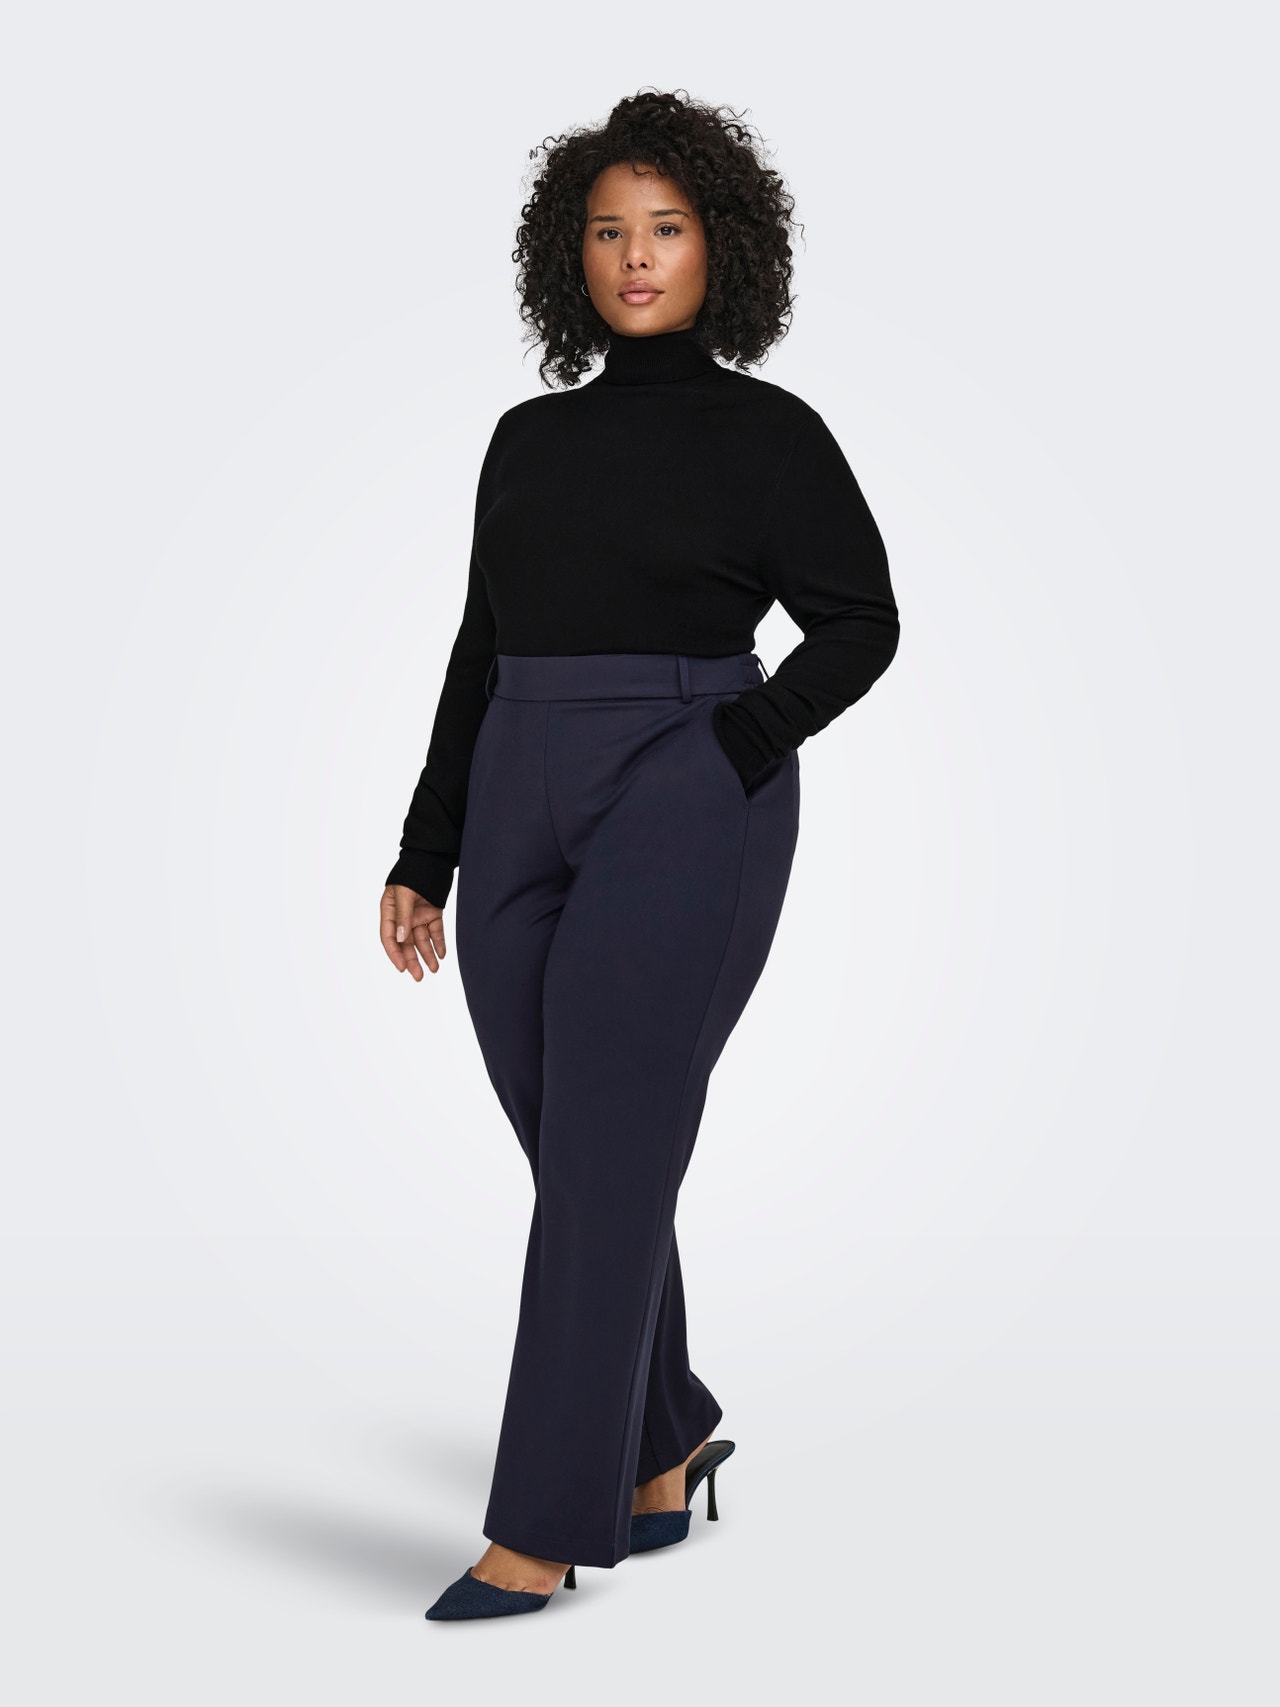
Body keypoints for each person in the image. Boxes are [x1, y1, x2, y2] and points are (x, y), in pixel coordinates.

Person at [379, 89, 901, 1622]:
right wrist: (426, 848)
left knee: (605, 1157)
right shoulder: (527, 440)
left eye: (665, 228)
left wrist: (733, 749)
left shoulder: (771, 436)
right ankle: (665, 1438)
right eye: (607, 231)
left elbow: (861, 624)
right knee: (584, 1151)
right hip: (518, 786)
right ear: (572, 254)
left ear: (719, 246)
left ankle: (542, 1526)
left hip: (686, 791)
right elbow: (480, 649)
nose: (634, 256)